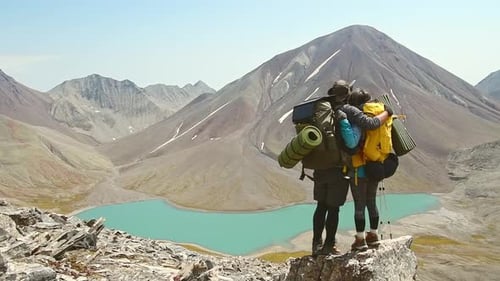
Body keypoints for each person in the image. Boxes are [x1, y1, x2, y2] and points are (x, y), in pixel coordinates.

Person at [311, 81, 391, 255]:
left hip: (319, 166)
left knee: (321, 206)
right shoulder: (348, 110)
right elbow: (370, 125)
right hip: (339, 168)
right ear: (347, 94)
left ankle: (316, 244)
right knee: (334, 208)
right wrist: (387, 112)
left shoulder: (323, 108)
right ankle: (330, 245)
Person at [341, 88, 393, 251]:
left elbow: (351, 143)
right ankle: (374, 235)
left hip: (359, 169)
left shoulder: (357, 118)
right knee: (371, 201)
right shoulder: (377, 113)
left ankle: (360, 239)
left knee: (359, 205)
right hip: (376, 165)